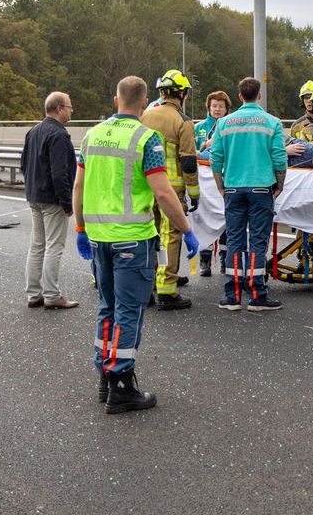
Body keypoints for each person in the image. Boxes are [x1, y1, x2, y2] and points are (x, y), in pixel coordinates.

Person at [73, 75, 200, 414]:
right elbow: (162, 191)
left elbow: (79, 186)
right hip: (133, 240)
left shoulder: (92, 135)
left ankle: (104, 373)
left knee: (107, 309)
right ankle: (121, 384)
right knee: (129, 312)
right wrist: (185, 229)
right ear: (144, 104)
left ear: (116, 100)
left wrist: (81, 228)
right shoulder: (147, 138)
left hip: (99, 239)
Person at [209, 76, 288, 311]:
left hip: (233, 187)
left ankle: (231, 295)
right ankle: (256, 295)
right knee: (257, 240)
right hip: (261, 187)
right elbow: (279, 158)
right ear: (259, 96)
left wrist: (220, 185)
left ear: (240, 96)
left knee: (234, 239)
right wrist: (280, 184)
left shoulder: (224, 123)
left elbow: (215, 158)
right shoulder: (271, 122)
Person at [140, 69, 201, 311]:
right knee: (170, 236)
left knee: (148, 235)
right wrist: (194, 194)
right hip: (172, 190)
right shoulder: (183, 121)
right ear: (182, 93)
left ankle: (150, 285)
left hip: (145, 188)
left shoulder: (144, 116)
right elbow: (188, 161)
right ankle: (167, 290)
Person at [20, 91, 79, 310]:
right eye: (70, 107)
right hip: (52, 199)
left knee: (37, 246)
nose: (72, 111)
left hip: (35, 196)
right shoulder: (59, 135)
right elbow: (59, 173)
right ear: (59, 108)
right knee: (54, 246)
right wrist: (67, 203)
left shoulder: (33, 131)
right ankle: (52, 295)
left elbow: (24, 165)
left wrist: (31, 190)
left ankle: (34, 294)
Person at [194, 90, 232, 277]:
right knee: (203, 218)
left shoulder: (229, 127)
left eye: (221, 106)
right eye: (214, 106)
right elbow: (191, 151)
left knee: (226, 217)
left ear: (227, 109)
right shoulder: (198, 127)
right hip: (202, 179)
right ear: (208, 107)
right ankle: (205, 259)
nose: (217, 109)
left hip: (223, 177)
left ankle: (226, 258)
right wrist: (201, 150)